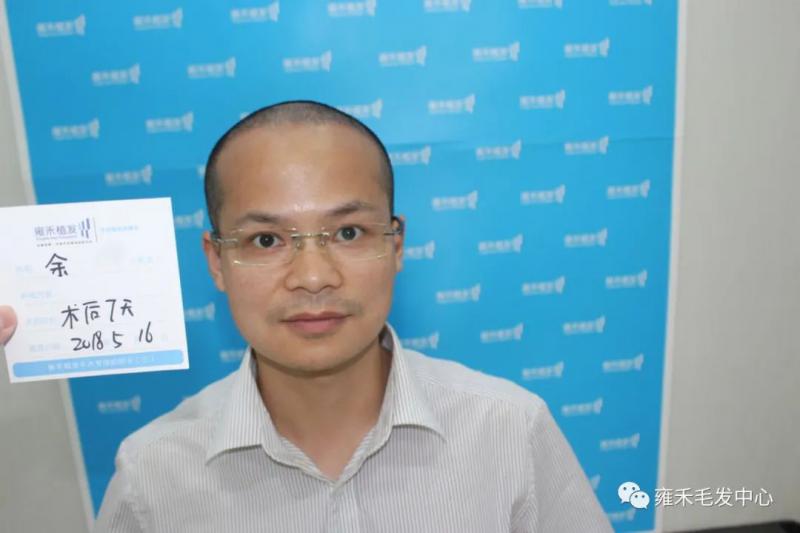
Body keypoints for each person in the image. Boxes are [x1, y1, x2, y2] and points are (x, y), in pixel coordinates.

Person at [1, 101, 612, 532]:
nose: (314, 276)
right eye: (266, 240)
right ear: (216, 261)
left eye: (348, 232)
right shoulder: (153, 474)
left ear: (397, 245)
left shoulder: (509, 430)